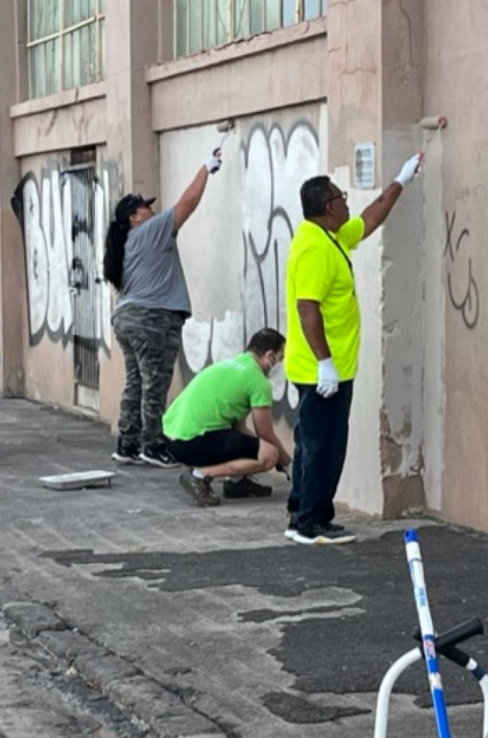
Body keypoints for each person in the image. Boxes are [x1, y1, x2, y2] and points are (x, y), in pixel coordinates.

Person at [281, 153, 423, 544]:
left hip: (328, 367)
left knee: (311, 442)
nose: (347, 201)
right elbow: (307, 308)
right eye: (342, 196)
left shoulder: (329, 235)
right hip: (322, 371)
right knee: (324, 447)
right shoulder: (314, 249)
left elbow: (370, 218)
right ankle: (312, 522)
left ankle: (300, 514)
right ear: (330, 207)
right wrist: (325, 363)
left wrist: (401, 180)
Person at [105, 141, 225, 468]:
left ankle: (127, 444)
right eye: (144, 207)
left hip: (127, 319)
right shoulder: (151, 231)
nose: (151, 210)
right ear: (134, 217)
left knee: (136, 382)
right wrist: (206, 168)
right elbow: (186, 203)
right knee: (155, 381)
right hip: (152, 320)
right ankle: (153, 446)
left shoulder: (126, 243)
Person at [162, 328, 291, 507]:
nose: (281, 364)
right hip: (191, 442)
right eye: (281, 358)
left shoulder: (230, 365)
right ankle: (198, 476)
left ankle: (237, 483)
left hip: (172, 437)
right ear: (270, 357)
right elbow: (266, 434)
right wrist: (288, 465)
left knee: (247, 442)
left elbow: (239, 429)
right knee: (270, 454)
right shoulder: (258, 381)